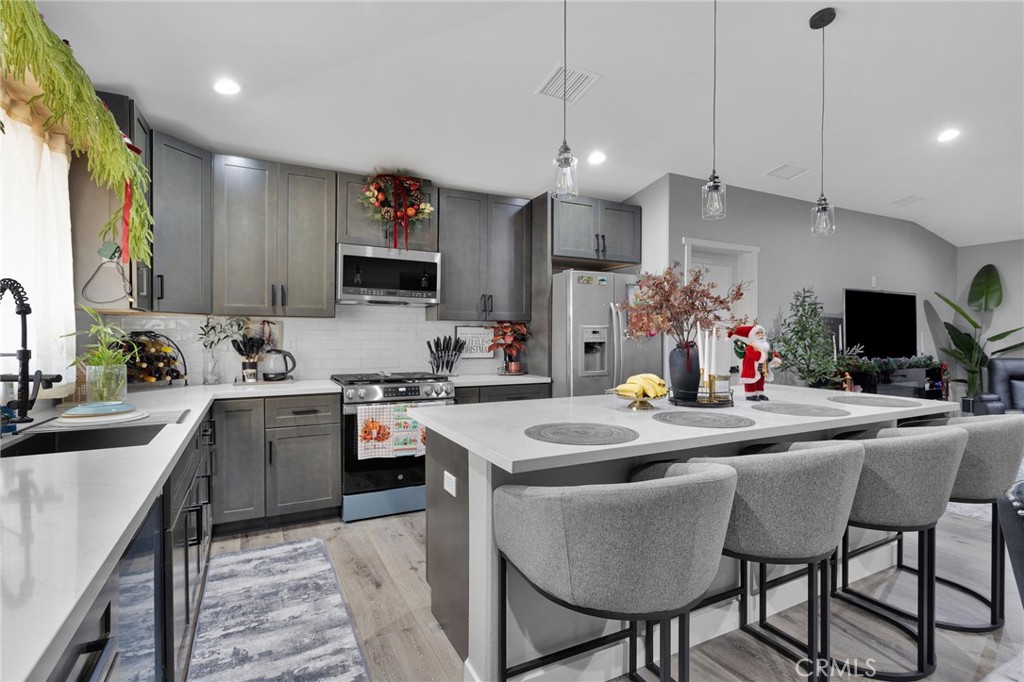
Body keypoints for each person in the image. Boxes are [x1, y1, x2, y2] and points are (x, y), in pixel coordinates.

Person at [729, 323, 781, 401]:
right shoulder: (750, 347)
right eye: (758, 333)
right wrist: (762, 356)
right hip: (751, 368)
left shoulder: (765, 346)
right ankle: (750, 394)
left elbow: (772, 353)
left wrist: (776, 360)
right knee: (751, 381)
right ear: (752, 335)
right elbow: (754, 354)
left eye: (762, 333)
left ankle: (760, 393)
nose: (760, 335)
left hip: (762, 368)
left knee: (760, 381)